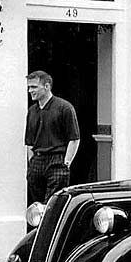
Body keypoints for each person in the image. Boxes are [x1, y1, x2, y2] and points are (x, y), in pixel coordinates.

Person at [25, 70, 80, 204]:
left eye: (34, 87)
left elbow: (74, 138)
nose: (30, 91)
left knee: (53, 205)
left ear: (47, 86)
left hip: (57, 161)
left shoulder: (64, 108)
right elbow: (29, 142)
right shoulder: (32, 111)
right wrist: (32, 163)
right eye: (29, 87)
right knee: (37, 206)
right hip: (37, 162)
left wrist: (66, 163)